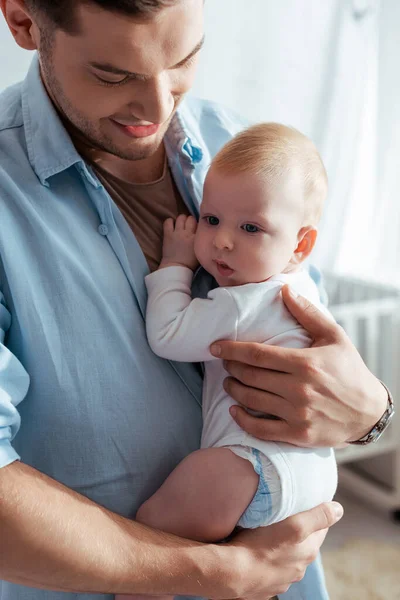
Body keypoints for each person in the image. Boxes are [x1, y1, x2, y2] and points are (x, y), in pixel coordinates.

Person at [0, 1, 390, 599]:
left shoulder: (236, 142)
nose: (158, 108)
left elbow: (316, 343)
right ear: (24, 22)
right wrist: (208, 573)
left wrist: (370, 414)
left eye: (184, 59)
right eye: (114, 75)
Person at [123, 123, 338, 600]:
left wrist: (175, 264)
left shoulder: (246, 302)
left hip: (248, 466)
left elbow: (167, 334)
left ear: (300, 246)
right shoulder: (303, 290)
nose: (221, 242)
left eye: (250, 228)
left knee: (150, 539)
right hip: (309, 476)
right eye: (211, 219)